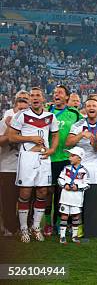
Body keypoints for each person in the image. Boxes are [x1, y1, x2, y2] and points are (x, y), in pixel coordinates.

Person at [7, 87, 59, 243]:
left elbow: (55, 134)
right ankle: (23, 228)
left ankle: (35, 227)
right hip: (27, 157)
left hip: (43, 157)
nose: (35, 98)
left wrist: (52, 149)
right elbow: (11, 137)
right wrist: (30, 138)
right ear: (29, 99)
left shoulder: (50, 116)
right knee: (25, 193)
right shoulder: (21, 115)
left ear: (43, 98)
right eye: (32, 96)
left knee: (43, 191)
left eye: (38, 95)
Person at [46, 85, 83, 236]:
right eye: (55, 93)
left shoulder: (74, 114)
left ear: (67, 97)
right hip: (48, 158)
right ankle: (48, 223)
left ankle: (61, 223)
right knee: (47, 192)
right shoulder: (46, 111)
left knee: (63, 193)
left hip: (66, 159)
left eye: (60, 92)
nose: (57, 95)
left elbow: (87, 123)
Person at [0, 96, 29, 236]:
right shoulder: (3, 123)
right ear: (14, 109)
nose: (22, 112)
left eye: (25, 109)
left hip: (26, 168)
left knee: (26, 199)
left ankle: (22, 226)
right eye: (19, 109)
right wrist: (10, 128)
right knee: (8, 200)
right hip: (7, 168)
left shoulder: (31, 125)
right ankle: (9, 228)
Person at [66, 97, 97, 184]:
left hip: (96, 166)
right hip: (80, 164)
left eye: (94, 106)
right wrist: (81, 134)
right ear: (85, 109)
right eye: (88, 106)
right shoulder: (78, 125)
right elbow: (68, 143)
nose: (91, 108)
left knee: (95, 192)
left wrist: (95, 139)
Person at [57, 146, 89, 244]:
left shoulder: (84, 171)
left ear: (79, 158)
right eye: (70, 155)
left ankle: (74, 236)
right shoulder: (66, 168)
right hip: (65, 197)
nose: (69, 157)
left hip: (76, 199)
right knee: (64, 216)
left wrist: (78, 187)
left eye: (72, 155)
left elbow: (87, 184)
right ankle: (62, 236)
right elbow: (59, 179)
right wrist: (65, 185)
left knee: (76, 217)